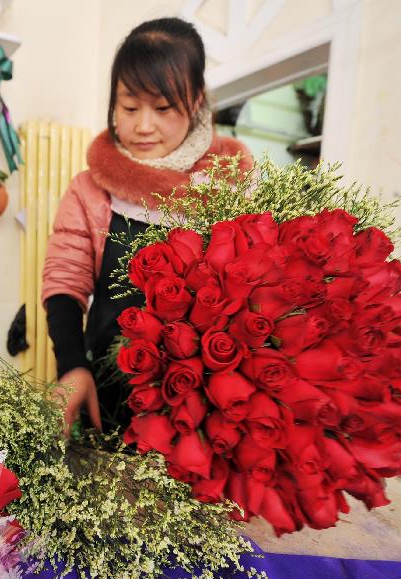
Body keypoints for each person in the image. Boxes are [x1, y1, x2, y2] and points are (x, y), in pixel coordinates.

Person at [42, 17, 254, 436]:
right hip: (107, 391)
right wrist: (72, 367)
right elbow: (64, 282)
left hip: (204, 400)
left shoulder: (231, 182)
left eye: (162, 108)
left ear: (195, 103)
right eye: (129, 106)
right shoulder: (91, 188)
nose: (142, 126)